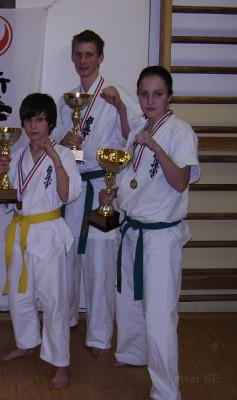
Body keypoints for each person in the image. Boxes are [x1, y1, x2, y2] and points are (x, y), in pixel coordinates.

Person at [108, 66, 199, 400]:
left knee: (160, 315)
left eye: (157, 94)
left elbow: (180, 182)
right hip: (133, 229)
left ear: (169, 96)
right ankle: (133, 352)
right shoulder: (137, 132)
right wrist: (112, 193)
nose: (149, 100)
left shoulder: (180, 132)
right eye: (144, 94)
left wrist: (158, 148)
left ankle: (166, 390)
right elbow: (133, 180)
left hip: (160, 237)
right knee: (129, 301)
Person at [54, 30, 144, 357]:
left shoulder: (116, 95)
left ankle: (100, 336)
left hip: (103, 189)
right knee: (68, 260)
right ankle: (65, 321)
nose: (83, 61)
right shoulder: (67, 100)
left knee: (100, 263)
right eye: (78, 54)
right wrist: (64, 141)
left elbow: (134, 138)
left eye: (89, 54)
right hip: (74, 188)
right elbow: (54, 137)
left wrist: (119, 107)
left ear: (100, 57)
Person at [0, 93, 82, 389]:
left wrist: (55, 159)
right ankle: (26, 342)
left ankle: (60, 362)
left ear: (50, 123)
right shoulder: (16, 155)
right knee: (19, 296)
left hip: (48, 233)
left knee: (54, 300)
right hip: (20, 231)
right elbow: (10, 200)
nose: (34, 126)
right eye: (29, 120)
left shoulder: (66, 154)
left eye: (40, 119)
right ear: (22, 123)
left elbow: (67, 195)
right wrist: (2, 177)